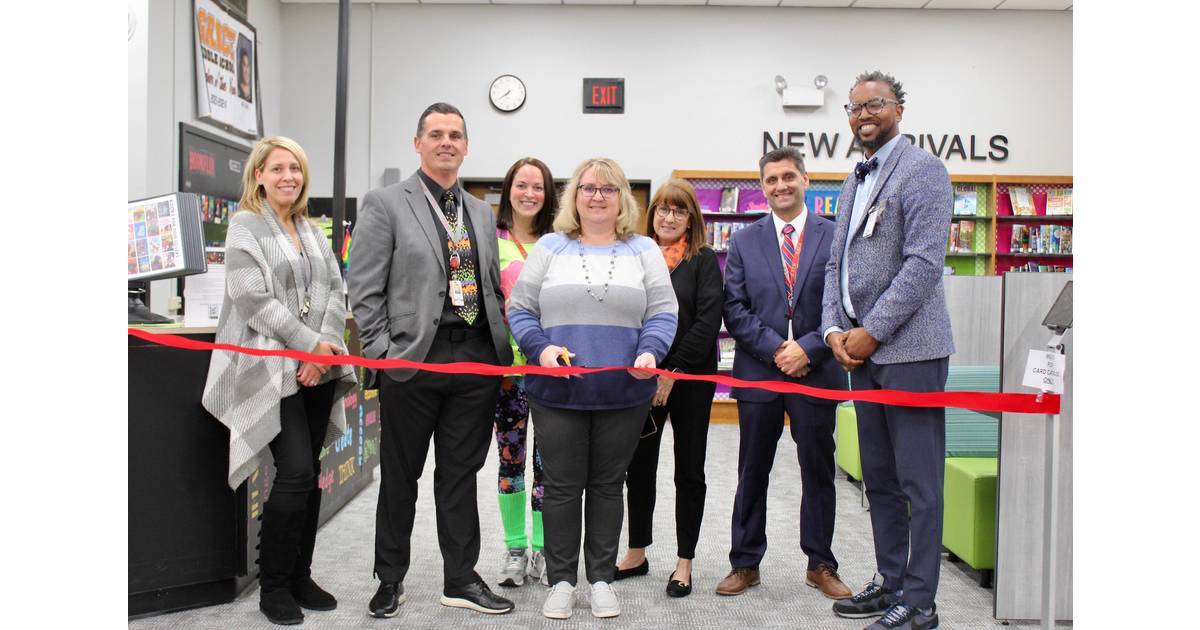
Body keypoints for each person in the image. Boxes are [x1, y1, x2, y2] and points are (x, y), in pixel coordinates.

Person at [347, 103, 515, 617]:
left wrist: (499, 349)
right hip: (413, 360)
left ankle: (460, 578)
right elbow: (364, 287)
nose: (447, 142)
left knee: (461, 477)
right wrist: (380, 352)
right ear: (417, 143)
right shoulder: (385, 203)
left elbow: (487, 286)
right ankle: (390, 578)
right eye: (436, 134)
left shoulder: (482, 212)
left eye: (456, 135)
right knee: (401, 476)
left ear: (467, 147)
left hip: (475, 361)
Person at [506, 157, 678, 620]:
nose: (597, 195)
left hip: (625, 393)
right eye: (587, 188)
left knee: (607, 486)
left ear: (622, 197)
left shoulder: (643, 249)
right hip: (556, 395)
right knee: (561, 488)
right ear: (573, 196)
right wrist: (540, 349)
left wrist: (650, 352)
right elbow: (520, 309)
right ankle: (562, 581)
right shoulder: (550, 247)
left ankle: (601, 579)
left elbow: (663, 312)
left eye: (607, 188)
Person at [202, 136, 358, 626]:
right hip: (269, 368)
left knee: (308, 471)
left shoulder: (311, 229)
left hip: (317, 366)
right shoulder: (245, 226)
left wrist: (322, 348)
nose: (288, 176)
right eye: (278, 168)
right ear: (259, 176)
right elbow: (251, 299)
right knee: (293, 471)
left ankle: (299, 575)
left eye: (296, 167)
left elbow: (336, 289)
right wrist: (307, 345)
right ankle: (272, 585)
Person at [822, 71, 954, 630]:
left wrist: (870, 330)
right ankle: (892, 580)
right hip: (860, 354)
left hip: (911, 351)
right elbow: (836, 266)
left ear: (899, 108)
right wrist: (834, 332)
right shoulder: (855, 179)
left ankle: (920, 601)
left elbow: (923, 264)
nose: (862, 115)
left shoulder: (924, 170)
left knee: (919, 483)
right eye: (854, 109)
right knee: (878, 477)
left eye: (874, 104)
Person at [717, 146, 851, 601]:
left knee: (818, 471)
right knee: (752, 471)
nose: (781, 186)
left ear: (806, 179)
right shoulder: (744, 241)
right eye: (771, 179)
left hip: (817, 370)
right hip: (761, 371)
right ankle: (745, 562)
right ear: (762, 186)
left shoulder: (835, 236)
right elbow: (733, 308)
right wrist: (777, 349)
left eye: (789, 176)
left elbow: (845, 304)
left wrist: (809, 349)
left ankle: (821, 563)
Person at [613, 179, 723, 598]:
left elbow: (707, 323)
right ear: (651, 214)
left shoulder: (704, 260)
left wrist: (672, 370)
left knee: (689, 469)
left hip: (691, 380)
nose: (668, 217)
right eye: (661, 209)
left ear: (691, 218)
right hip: (644, 378)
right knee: (638, 466)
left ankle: (684, 561)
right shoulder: (638, 258)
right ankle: (637, 552)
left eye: (678, 210)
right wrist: (652, 370)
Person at [492, 157, 557, 588]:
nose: (529, 193)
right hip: (505, 375)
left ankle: (545, 551)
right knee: (510, 461)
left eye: (538, 186)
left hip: (550, 372)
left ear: (548, 194)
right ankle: (516, 548)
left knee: (548, 466)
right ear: (509, 190)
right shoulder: (486, 239)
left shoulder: (560, 242)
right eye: (522, 185)